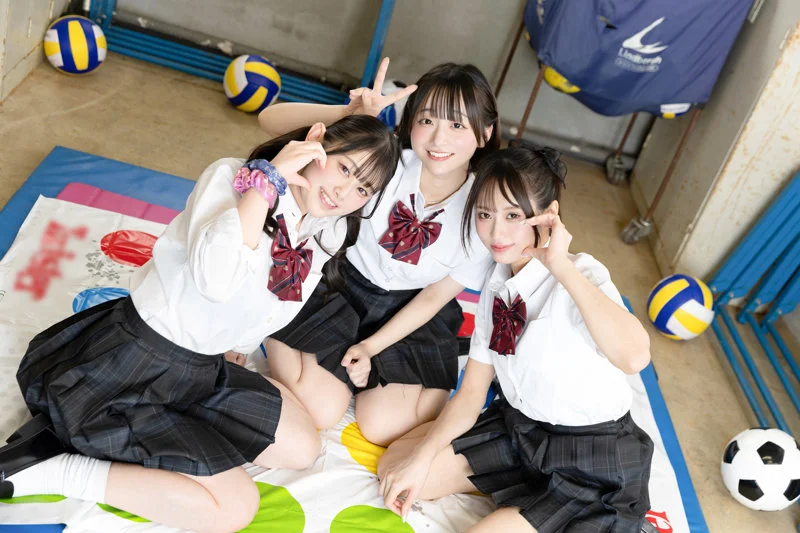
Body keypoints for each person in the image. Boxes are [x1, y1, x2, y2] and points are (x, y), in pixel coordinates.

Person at [0, 114, 400, 533]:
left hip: (203, 367)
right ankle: (49, 470)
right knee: (234, 508)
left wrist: (235, 346)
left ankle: (138, 440)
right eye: (344, 168)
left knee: (303, 447)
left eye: (363, 189)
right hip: (138, 360)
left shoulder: (326, 229)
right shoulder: (231, 177)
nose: (344, 193)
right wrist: (265, 186)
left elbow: (273, 309)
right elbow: (215, 281)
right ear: (316, 140)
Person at [378, 146, 654, 532]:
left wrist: (559, 264)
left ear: (549, 214)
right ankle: (527, 496)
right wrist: (422, 457)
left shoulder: (582, 273)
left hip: (591, 455)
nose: (497, 232)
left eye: (513, 215)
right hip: (522, 430)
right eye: (485, 214)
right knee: (397, 466)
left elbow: (634, 357)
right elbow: (471, 393)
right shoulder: (496, 282)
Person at [257, 58, 499, 446]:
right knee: (320, 409)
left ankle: (358, 369)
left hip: (412, 309)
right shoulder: (385, 162)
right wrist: (349, 115)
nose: (438, 139)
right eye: (427, 120)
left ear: (485, 133)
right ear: (410, 122)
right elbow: (269, 121)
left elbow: (435, 296)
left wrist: (371, 348)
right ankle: (268, 328)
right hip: (337, 285)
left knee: (384, 427)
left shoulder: (486, 211)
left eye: (457, 125)